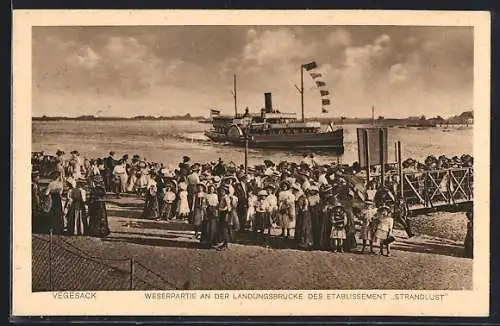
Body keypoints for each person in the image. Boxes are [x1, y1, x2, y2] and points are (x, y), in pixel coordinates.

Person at [200, 184, 219, 249]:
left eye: (212, 189)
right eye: (210, 189)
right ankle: (206, 241)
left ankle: (213, 241)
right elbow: (204, 204)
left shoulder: (215, 195)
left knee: (213, 225)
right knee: (207, 225)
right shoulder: (206, 196)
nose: (211, 190)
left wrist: (216, 209)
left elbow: (217, 203)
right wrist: (205, 212)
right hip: (208, 210)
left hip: (214, 210)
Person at [217, 185, 232, 250]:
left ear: (225, 191)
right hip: (222, 214)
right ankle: (224, 243)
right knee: (222, 229)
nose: (221, 192)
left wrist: (220, 209)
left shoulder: (226, 197)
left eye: (222, 191)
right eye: (221, 191)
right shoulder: (223, 197)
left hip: (225, 214)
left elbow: (228, 207)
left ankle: (225, 244)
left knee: (224, 229)